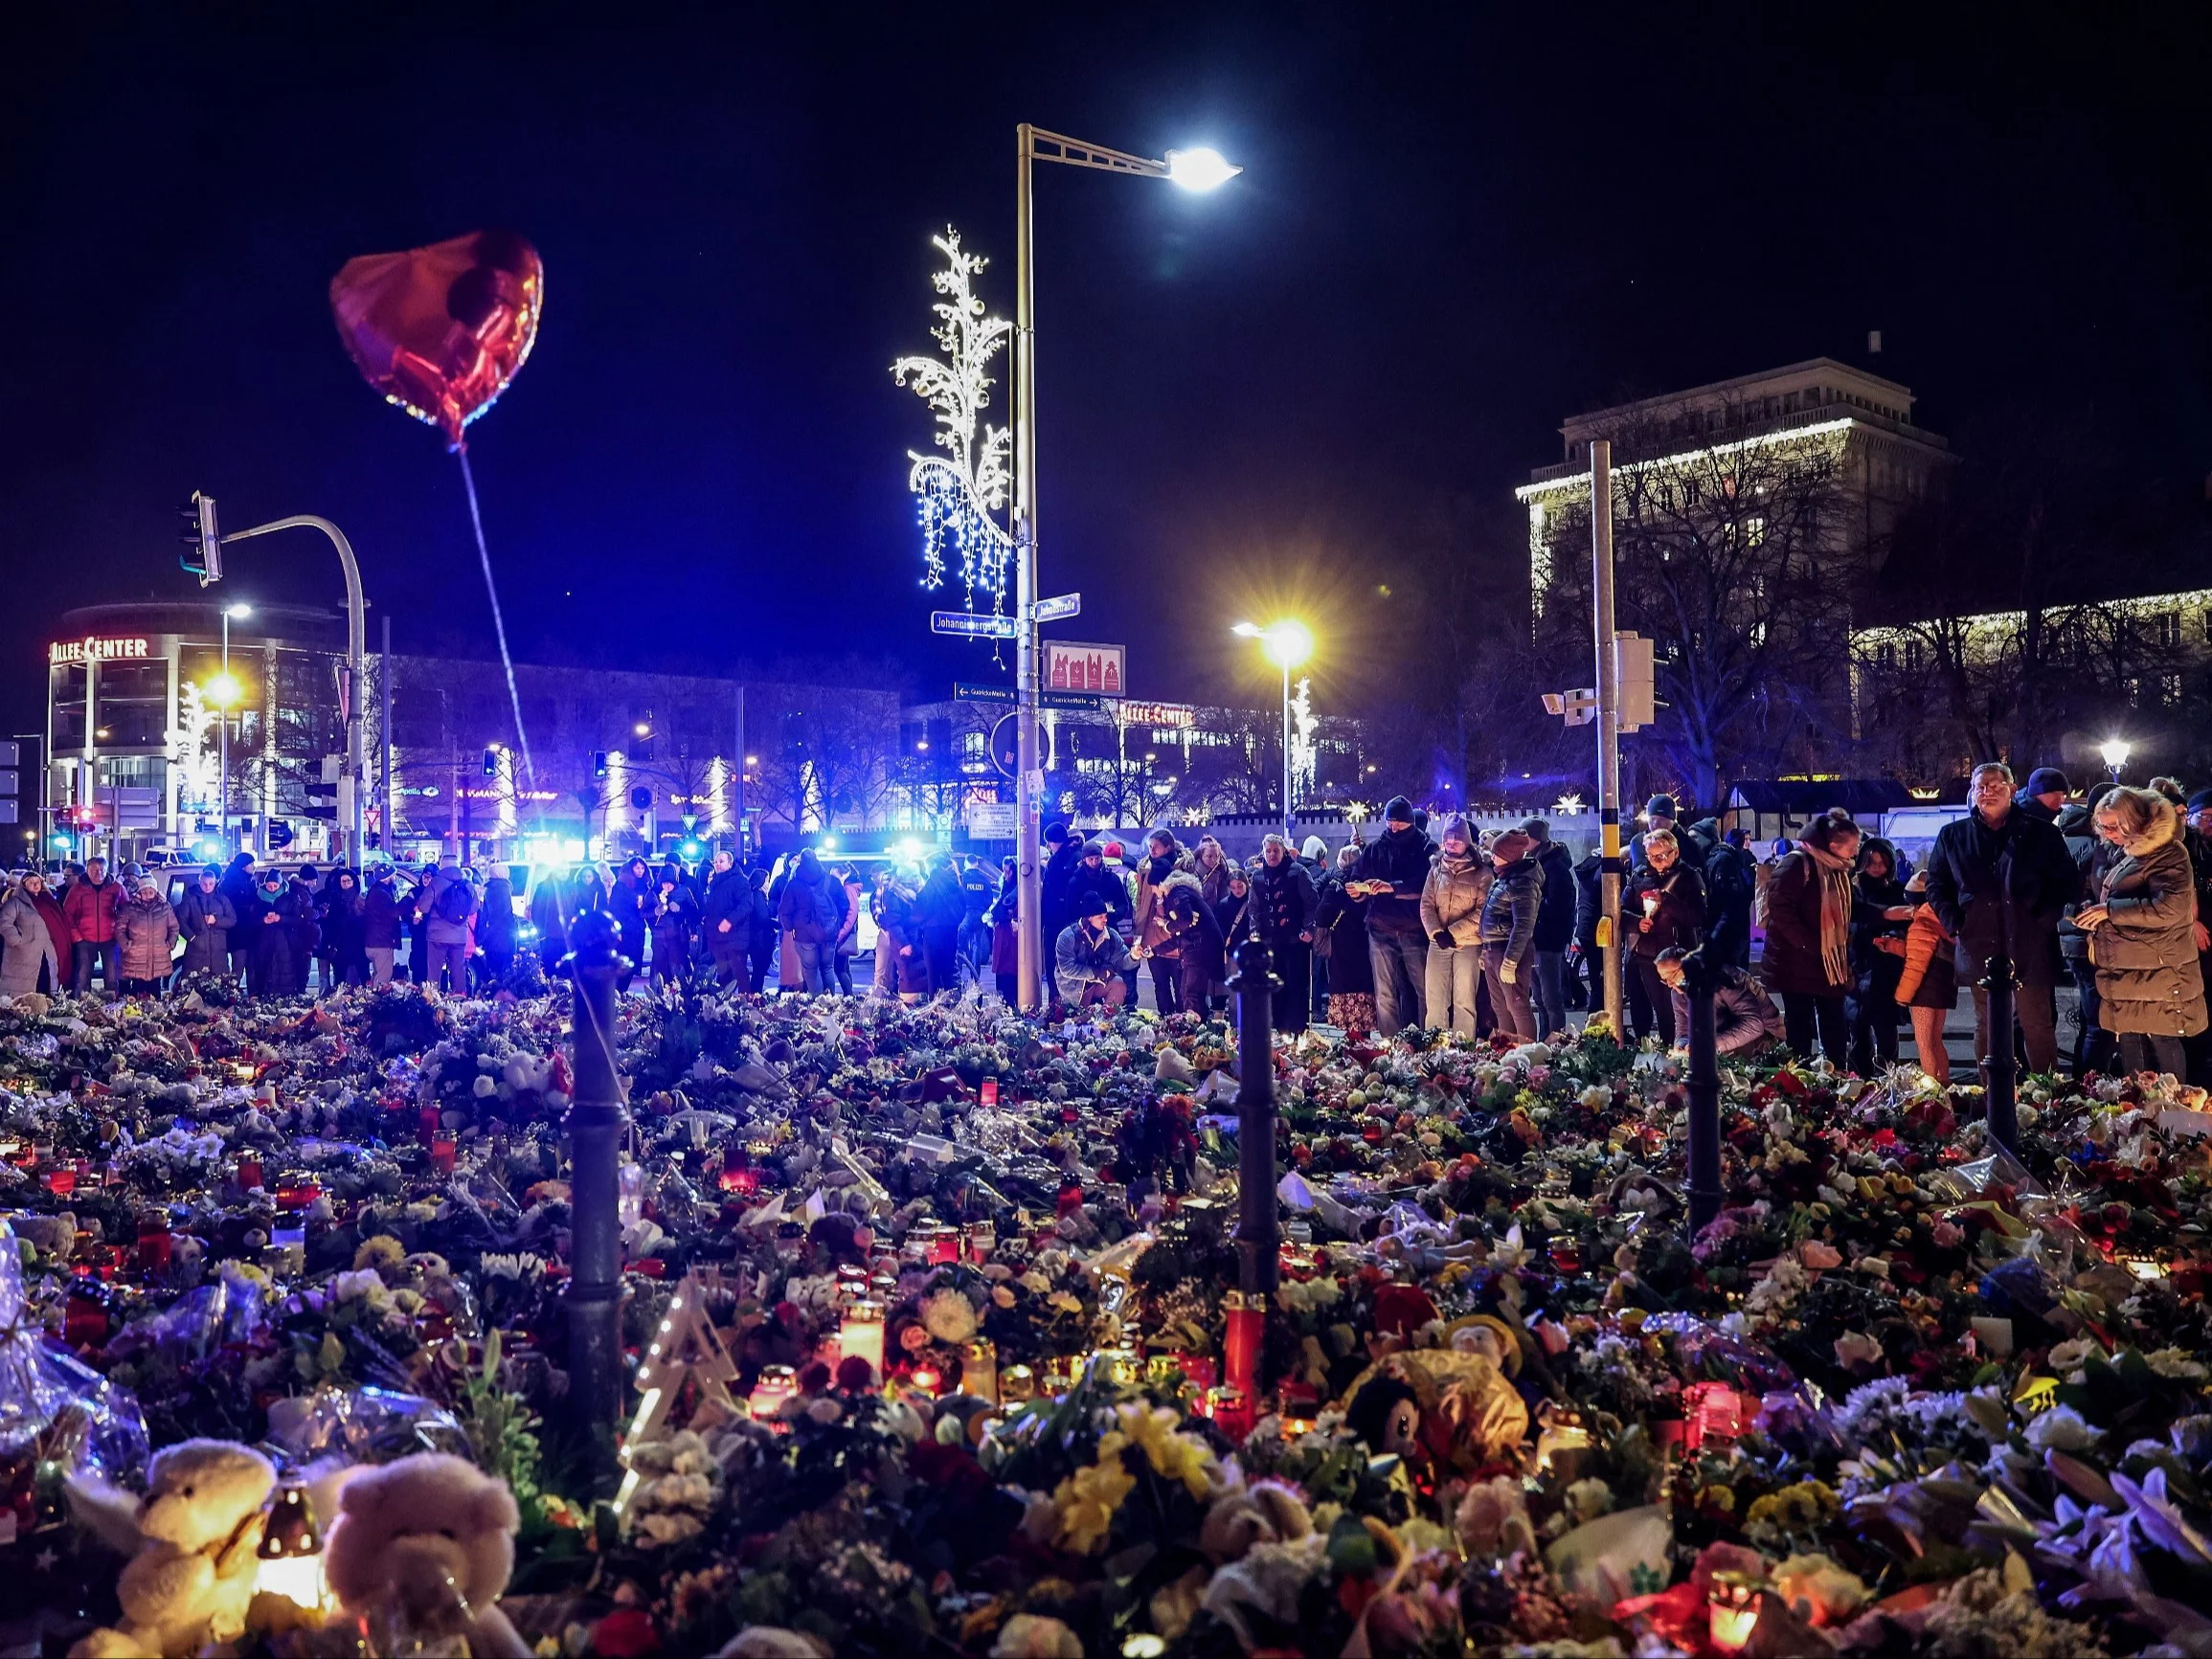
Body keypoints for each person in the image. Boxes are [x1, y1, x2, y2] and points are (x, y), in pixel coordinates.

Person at [1925, 761, 2078, 1077]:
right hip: (1978, 941)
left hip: (2029, 943)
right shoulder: (1953, 835)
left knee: (2037, 1023)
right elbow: (1936, 884)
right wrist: (1956, 922)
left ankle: (2047, 1097)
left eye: (1995, 786)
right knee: (1988, 1023)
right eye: (1980, 787)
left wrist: (2042, 919)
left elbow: (2066, 881)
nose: (1987, 792)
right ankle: (1991, 1095)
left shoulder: (2041, 833)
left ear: (2012, 789)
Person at [2074, 786, 2208, 1077]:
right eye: (2102, 825)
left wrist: (2109, 911)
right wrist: (2088, 905)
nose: (2107, 832)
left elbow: (2171, 906)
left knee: (2162, 1038)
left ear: (2132, 821)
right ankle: (2136, 1113)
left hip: (2158, 965)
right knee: (2130, 1038)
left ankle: (2173, 1113)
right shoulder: (2111, 847)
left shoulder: (2168, 852)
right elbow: (2094, 887)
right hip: (2121, 963)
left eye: (2113, 826)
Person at [1762, 809, 1889, 1065]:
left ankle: (1835, 1080)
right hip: (1797, 965)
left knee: (1834, 1026)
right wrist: (1810, 943)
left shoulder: (1838, 869)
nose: (1856, 853)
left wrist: (1888, 914)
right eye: (1852, 847)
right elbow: (1780, 910)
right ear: (1832, 846)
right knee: (1799, 1029)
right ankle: (1799, 1086)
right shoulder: (1796, 864)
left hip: (1829, 966)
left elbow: (1851, 908)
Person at [1353, 796, 1433, 1034]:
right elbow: (1357, 874)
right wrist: (1358, 890)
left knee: (1425, 991)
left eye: (1399, 822)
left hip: (1413, 929)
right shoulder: (1376, 848)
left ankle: (1426, 1039)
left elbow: (1425, 885)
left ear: (1410, 821)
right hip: (1381, 928)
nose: (1393, 827)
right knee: (1384, 993)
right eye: (1390, 821)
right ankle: (1392, 1043)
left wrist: (1392, 887)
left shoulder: (1425, 848)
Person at [2058, 782, 2121, 1076]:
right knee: (2099, 1020)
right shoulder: (2093, 846)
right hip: (2088, 939)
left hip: (2073, 940)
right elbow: (2092, 894)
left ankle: (2082, 1079)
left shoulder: (2066, 839)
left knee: (2090, 1016)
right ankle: (2089, 1084)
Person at [1624, 826, 1706, 1046]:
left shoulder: (1689, 876)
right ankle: (1657, 1049)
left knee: (1677, 1008)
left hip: (1677, 955)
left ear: (1675, 852)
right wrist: (1637, 922)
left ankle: (1678, 1048)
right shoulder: (1639, 875)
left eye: (1660, 856)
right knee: (1656, 1007)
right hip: (1647, 954)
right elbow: (1621, 910)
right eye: (1650, 856)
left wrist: (1667, 901)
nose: (1655, 861)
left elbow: (1699, 916)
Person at [1419, 815, 1490, 1038]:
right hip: (1438, 942)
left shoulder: (1483, 872)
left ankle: (1463, 1048)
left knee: (1464, 1000)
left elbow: (1482, 911)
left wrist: (1453, 931)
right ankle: (1435, 1045)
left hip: (1467, 944)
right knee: (1435, 999)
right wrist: (1437, 932)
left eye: (1456, 839)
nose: (1451, 843)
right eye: (1448, 838)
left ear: (1467, 841)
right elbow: (1426, 904)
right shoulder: (1436, 869)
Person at [1848, 837, 1909, 1073]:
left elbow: (1906, 925)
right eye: (1871, 861)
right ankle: (1860, 1077)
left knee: (1886, 1028)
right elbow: (1852, 920)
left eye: (1882, 862)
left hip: (1886, 969)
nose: (1876, 867)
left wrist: (1892, 936)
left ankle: (1888, 1076)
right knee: (1858, 1026)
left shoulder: (1896, 891)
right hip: (1858, 964)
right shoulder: (1853, 891)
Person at [1654, 947, 1785, 1054]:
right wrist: (1682, 1045)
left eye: (1673, 974)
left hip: (1763, 1037)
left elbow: (1754, 1025)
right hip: (1723, 1038)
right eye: (1665, 979)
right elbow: (1684, 1029)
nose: (1670, 983)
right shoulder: (1677, 994)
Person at [1893, 869, 1957, 1084]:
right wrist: (1893, 946)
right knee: (1936, 1040)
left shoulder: (1922, 923)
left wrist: (1903, 996)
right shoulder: (1941, 919)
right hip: (1942, 988)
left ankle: (1931, 1087)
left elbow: (1916, 965)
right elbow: (1925, 950)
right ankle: (1944, 1081)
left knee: (1924, 1042)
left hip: (1924, 991)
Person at [1250, 835, 1319, 1033]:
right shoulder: (1258, 877)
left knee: (1296, 987)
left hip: (1295, 941)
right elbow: (1254, 908)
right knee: (1275, 987)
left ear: (1283, 851)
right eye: (1268, 851)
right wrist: (1254, 932)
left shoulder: (1298, 873)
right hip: (1270, 942)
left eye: (1275, 851)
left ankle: (1298, 1031)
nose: (1272, 855)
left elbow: (1312, 903)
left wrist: (1309, 928)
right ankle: (1280, 1030)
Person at [1479, 828, 1544, 1042]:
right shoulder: (1504, 879)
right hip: (1493, 950)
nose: (1492, 857)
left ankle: (1528, 1051)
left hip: (1508, 951)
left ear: (1508, 856)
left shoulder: (1523, 883)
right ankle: (1508, 1049)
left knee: (1517, 1005)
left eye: (1496, 854)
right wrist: (1485, 949)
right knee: (1500, 1006)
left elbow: (1523, 925)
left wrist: (1510, 960)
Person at [1314, 843, 1375, 1034]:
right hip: (1366, 945)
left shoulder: (1334, 886)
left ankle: (1351, 1044)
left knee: (1345, 994)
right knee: (1365, 993)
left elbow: (1321, 916)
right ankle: (1364, 1043)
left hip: (1341, 949)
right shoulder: (1368, 885)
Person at [1523, 819, 1574, 1038]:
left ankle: (1556, 1041)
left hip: (1548, 941)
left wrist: (1530, 906)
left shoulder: (1554, 867)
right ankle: (1545, 1040)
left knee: (1550, 998)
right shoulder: (1537, 861)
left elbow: (1557, 905)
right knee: (1540, 999)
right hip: (1537, 939)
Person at [1132, 829, 1193, 1014]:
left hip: (1175, 937)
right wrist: (1140, 930)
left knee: (1181, 986)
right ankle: (1166, 1022)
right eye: (1150, 847)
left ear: (1168, 847)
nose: (1152, 851)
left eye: (1156, 847)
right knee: (1160, 984)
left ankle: (1183, 1024)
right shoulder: (1145, 869)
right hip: (1153, 935)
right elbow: (1141, 900)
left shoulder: (1181, 870)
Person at [776, 846, 844, 993]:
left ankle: (818, 1005)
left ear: (801, 862)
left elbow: (784, 910)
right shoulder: (832, 881)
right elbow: (844, 905)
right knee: (828, 968)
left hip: (804, 934)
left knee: (811, 970)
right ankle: (831, 1004)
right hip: (829, 934)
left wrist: (791, 927)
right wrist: (836, 925)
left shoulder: (794, 884)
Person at [1054, 894, 1137, 1010]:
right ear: (1088, 918)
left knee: (1118, 984)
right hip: (1074, 989)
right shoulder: (1067, 937)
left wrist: (1134, 956)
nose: (1105, 920)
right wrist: (1095, 973)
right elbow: (1066, 969)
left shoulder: (1111, 936)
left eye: (1106, 916)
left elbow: (1123, 961)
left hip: (1099, 983)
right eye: (1100, 917)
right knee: (1080, 1021)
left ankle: (1105, 1019)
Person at [1161, 876, 1227, 1020]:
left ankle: (1196, 1034)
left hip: (1199, 950)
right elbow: (1182, 936)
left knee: (1192, 995)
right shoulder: (1188, 895)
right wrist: (1154, 950)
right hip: (1198, 949)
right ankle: (1193, 1031)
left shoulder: (1177, 893)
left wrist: (1168, 926)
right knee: (1186, 992)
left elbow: (1185, 920)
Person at [1699, 820, 1757, 970]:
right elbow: (1733, 896)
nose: (1748, 843)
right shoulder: (1728, 860)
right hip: (1730, 928)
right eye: (1746, 839)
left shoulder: (1718, 857)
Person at [62, 854, 123, 997]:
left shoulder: (116, 888)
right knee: (83, 976)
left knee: (112, 975)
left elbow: (126, 911)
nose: (98, 873)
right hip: (85, 938)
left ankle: (112, 1007)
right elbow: (68, 914)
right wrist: (76, 936)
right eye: (94, 869)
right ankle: (81, 1006)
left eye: (102, 869)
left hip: (110, 938)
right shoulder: (78, 890)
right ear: (87, 870)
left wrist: (119, 930)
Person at [0, 873, 68, 997]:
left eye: (38, 881)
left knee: (45, 981)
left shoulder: (48, 903)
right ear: (24, 885)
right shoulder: (16, 902)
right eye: (31, 882)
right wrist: (17, 940)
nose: (35, 885)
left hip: (46, 951)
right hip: (24, 953)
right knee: (23, 988)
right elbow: (4, 922)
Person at [245, 867, 309, 998]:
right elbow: (251, 920)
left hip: (285, 940)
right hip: (264, 940)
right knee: (264, 967)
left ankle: (286, 997)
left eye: (275, 885)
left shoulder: (291, 897)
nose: (272, 888)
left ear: (280, 885)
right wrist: (263, 920)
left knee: (285, 968)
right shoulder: (258, 898)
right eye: (269, 885)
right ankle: (265, 996)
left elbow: (298, 920)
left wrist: (281, 918)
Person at [114, 876, 180, 997]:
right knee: (136, 991)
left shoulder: (165, 907)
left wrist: (170, 943)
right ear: (139, 892)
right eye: (144, 892)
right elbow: (119, 929)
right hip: (136, 956)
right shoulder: (130, 907)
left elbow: (174, 927)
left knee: (155, 990)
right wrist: (126, 945)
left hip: (158, 956)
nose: (148, 895)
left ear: (155, 892)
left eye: (151, 892)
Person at [1039, 822, 1083, 994]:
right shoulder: (1063, 858)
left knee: (1057, 965)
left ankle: (1057, 1004)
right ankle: (1056, 1004)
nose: (1048, 846)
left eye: (1049, 842)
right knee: (1057, 965)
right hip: (1059, 920)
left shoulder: (1067, 859)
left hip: (1060, 921)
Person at [424, 858, 478, 995]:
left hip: (437, 935)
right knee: (458, 968)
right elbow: (473, 908)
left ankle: (432, 998)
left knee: (434, 969)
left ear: (442, 867)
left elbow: (423, 907)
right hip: (459, 936)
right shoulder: (467, 884)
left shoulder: (436, 883)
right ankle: (459, 997)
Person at [916, 853, 966, 998]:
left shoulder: (932, 882)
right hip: (951, 932)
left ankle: (935, 1013)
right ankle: (954, 1010)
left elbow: (923, 906)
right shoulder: (956, 881)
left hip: (932, 933)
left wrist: (920, 922)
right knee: (949, 973)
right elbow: (963, 907)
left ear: (934, 865)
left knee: (933, 978)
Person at [702, 851, 752, 987]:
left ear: (730, 864)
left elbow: (746, 905)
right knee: (723, 977)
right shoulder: (715, 883)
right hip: (718, 939)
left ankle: (745, 1004)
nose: (717, 864)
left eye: (721, 861)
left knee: (740, 975)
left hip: (735, 938)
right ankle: (724, 1005)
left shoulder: (739, 880)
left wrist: (729, 921)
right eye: (716, 862)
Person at [176, 865, 236, 980]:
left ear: (215, 883)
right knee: (194, 989)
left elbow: (232, 920)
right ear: (200, 882)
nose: (207, 887)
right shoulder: (190, 899)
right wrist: (192, 937)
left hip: (218, 953)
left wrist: (217, 920)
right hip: (196, 952)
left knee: (219, 991)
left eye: (211, 884)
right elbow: (181, 921)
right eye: (204, 883)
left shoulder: (222, 900)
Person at [646, 865, 697, 990]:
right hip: (658, 937)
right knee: (661, 967)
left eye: (670, 884)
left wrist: (681, 909)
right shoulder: (653, 893)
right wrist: (655, 912)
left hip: (678, 937)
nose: (667, 887)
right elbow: (643, 913)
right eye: (665, 883)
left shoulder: (684, 892)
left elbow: (694, 913)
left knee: (678, 966)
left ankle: (681, 993)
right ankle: (662, 995)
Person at [322, 868, 370, 989]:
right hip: (341, 946)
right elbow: (331, 924)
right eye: (343, 881)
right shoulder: (336, 902)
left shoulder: (360, 900)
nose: (346, 883)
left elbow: (366, 923)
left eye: (348, 880)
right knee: (340, 980)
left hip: (358, 945)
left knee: (363, 976)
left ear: (354, 882)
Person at [608, 858, 651, 985]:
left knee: (634, 961)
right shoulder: (621, 886)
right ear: (631, 868)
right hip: (625, 928)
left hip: (638, 927)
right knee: (624, 962)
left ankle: (623, 991)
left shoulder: (644, 884)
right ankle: (618, 993)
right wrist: (617, 930)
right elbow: (615, 908)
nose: (640, 871)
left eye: (642, 868)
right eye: (637, 868)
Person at [957, 854, 995, 992]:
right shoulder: (984, 879)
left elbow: (958, 896)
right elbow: (989, 899)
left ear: (967, 863)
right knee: (976, 946)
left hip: (964, 914)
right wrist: (982, 910)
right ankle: (976, 978)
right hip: (979, 915)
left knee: (959, 946)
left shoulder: (963, 878)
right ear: (977, 864)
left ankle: (957, 976)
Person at [988, 857, 1021, 1006]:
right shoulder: (1008, 886)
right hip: (1003, 931)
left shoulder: (1015, 888)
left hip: (1008, 933)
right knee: (1004, 970)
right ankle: (1006, 1001)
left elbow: (1004, 907)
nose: (1004, 873)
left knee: (1007, 970)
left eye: (1006, 870)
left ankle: (1009, 1002)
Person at [362, 868, 403, 986]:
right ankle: (376, 1002)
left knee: (377, 975)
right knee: (383, 980)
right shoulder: (381, 894)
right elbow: (393, 912)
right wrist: (407, 900)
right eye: (393, 875)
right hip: (382, 943)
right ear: (387, 878)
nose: (395, 878)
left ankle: (371, 999)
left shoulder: (375, 891)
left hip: (373, 941)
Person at [746, 866, 778, 993]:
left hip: (755, 938)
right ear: (760, 881)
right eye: (767, 880)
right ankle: (755, 996)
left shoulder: (753, 895)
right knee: (759, 971)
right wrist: (777, 924)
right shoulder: (758, 896)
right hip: (760, 940)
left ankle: (755, 995)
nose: (768, 883)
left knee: (758, 971)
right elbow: (763, 918)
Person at [833, 868, 864, 995]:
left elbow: (851, 913)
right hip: (847, 932)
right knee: (844, 967)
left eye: (834, 876)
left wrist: (841, 933)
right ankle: (849, 996)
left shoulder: (848, 889)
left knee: (839, 967)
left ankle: (849, 995)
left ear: (844, 875)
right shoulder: (850, 888)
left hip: (845, 933)